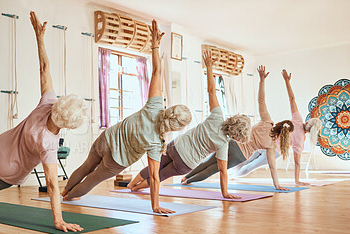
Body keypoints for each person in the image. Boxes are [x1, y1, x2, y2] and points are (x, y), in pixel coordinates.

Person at [0, 12, 85, 233]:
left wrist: (39, 37)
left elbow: (44, 67)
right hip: (10, 169)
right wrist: (58, 221)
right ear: (68, 125)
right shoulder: (49, 144)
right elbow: (52, 185)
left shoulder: (48, 103)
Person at [61, 20, 192, 214]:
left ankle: (63, 191)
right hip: (116, 161)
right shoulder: (157, 142)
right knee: (92, 180)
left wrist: (155, 45)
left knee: (85, 167)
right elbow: (155, 178)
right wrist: (155, 206)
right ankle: (67, 197)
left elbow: (156, 71)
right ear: (176, 127)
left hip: (106, 139)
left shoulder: (154, 106)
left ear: (170, 109)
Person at [127, 51, 251, 199]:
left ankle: (130, 184)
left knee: (155, 166)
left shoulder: (217, 116)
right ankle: (136, 188)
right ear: (237, 136)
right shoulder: (223, 144)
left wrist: (209, 67)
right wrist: (225, 193)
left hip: (176, 146)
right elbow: (223, 171)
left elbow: (211, 91)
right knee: (161, 175)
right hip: (186, 162)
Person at [181, 66, 293, 191]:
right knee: (213, 169)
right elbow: (272, 167)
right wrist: (277, 185)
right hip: (240, 155)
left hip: (233, 144)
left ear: (279, 124)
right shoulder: (271, 145)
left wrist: (261, 80)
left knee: (207, 162)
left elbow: (261, 100)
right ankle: (188, 181)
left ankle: (186, 176)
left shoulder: (267, 121)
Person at [229, 69, 322, 185]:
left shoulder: (298, 119)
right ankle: (230, 178)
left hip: (266, 139)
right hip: (274, 151)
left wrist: (287, 81)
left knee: (245, 160)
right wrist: (297, 180)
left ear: (308, 121)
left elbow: (292, 99)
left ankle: (227, 176)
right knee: (250, 167)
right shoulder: (301, 142)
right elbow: (297, 163)